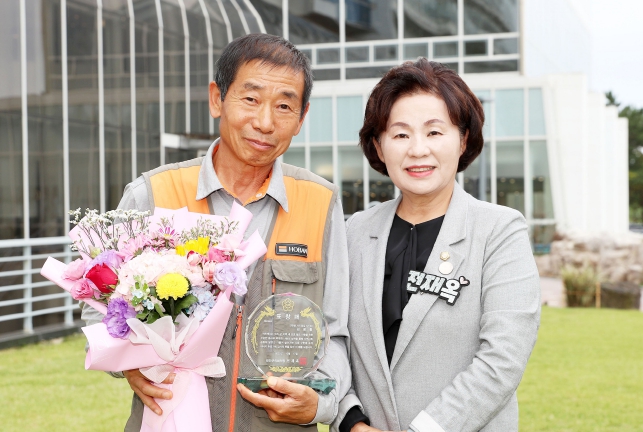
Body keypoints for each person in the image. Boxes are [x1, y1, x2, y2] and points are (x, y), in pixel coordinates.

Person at [81, 33, 351, 432]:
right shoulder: (152, 194)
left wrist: (319, 402)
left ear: (302, 117)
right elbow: (97, 308)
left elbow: (336, 332)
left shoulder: (321, 202)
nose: (265, 122)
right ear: (216, 99)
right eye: (251, 98)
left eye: (284, 106)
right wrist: (129, 364)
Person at [333, 59, 541, 432]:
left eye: (434, 132)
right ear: (378, 145)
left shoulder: (499, 231)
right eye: (400, 135)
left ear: (463, 139)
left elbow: (502, 360)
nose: (418, 150)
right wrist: (351, 420)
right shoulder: (355, 232)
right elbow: (332, 339)